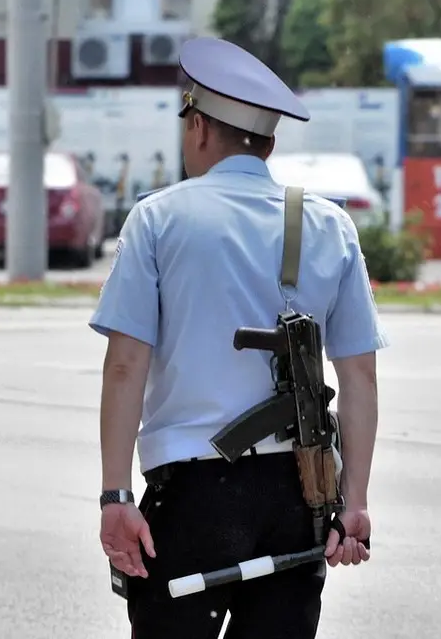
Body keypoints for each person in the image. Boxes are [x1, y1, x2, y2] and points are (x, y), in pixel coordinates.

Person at [90, 37, 387, 639]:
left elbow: (126, 366)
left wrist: (115, 494)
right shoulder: (330, 224)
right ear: (270, 142)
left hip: (193, 495)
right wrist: (353, 502)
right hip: (298, 494)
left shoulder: (159, 218)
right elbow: (358, 377)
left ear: (198, 128)